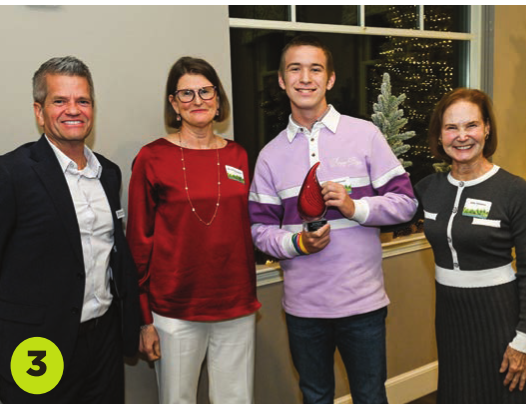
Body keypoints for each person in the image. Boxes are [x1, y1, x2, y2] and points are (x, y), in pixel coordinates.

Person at [249, 35, 417, 404]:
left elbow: (406, 203)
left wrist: (355, 207)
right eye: (295, 69)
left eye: (315, 69)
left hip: (363, 306)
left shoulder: (365, 135)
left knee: (370, 397)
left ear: (330, 79)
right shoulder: (270, 156)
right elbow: (259, 231)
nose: (305, 78)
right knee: (315, 397)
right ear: (281, 80)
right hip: (304, 310)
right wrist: (298, 243)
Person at [0, 56, 139, 404]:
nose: (73, 110)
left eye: (83, 100)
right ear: (39, 111)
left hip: (103, 340)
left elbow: (114, 254)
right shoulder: (11, 174)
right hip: (37, 346)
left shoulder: (108, 173)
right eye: (60, 101)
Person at [126, 56, 261, 404]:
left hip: (235, 302)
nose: (197, 100)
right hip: (175, 307)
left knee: (236, 399)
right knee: (177, 399)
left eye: (205, 91)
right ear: (174, 104)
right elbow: (138, 241)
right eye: (186, 93)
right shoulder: (152, 158)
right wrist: (143, 317)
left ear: (218, 98)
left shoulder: (238, 155)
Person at [414, 88, 526, 403]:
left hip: (499, 314)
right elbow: (386, 214)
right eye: (451, 127)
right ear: (439, 136)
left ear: (487, 128)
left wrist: (523, 340)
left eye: (471, 125)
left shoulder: (514, 191)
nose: (462, 136)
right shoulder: (428, 188)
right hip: (449, 314)